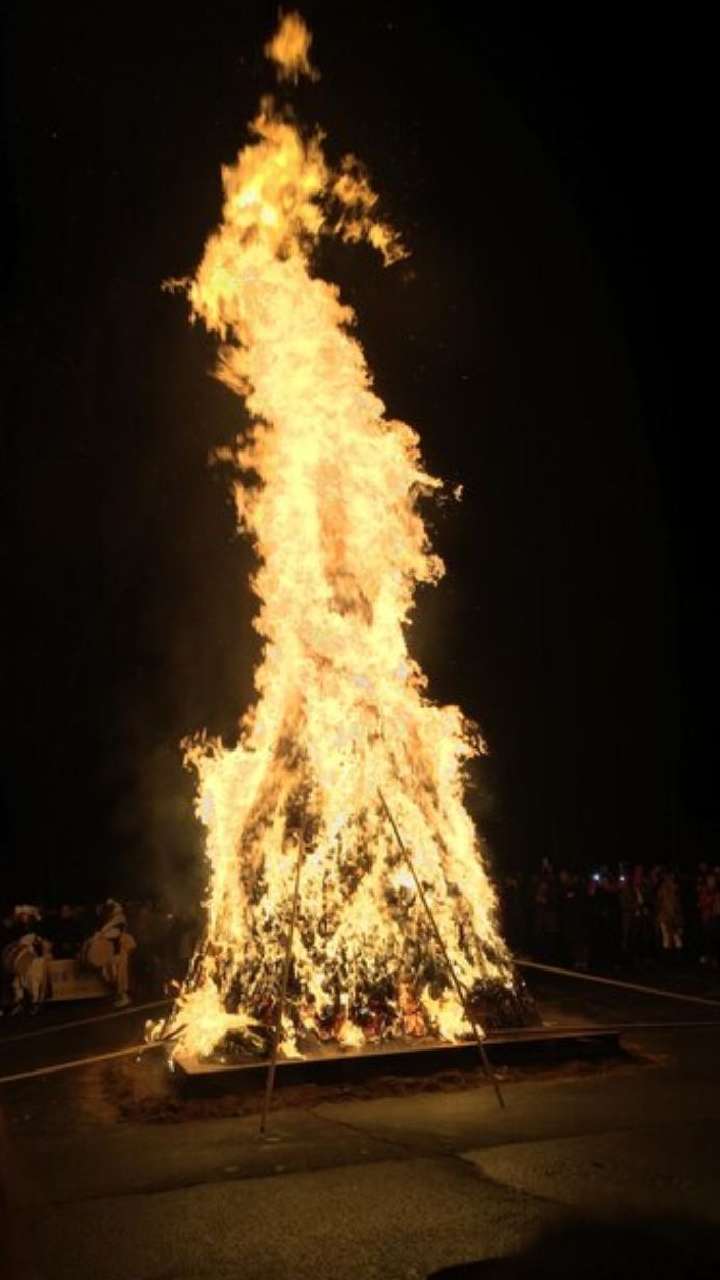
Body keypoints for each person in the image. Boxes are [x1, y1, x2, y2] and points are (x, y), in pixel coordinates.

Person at [84, 899, 136, 1007]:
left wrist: (100, 936)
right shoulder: (110, 921)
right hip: (112, 954)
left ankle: (124, 997)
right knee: (111, 976)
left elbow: (113, 934)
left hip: (119, 953)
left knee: (120, 977)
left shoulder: (119, 920)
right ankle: (120, 997)